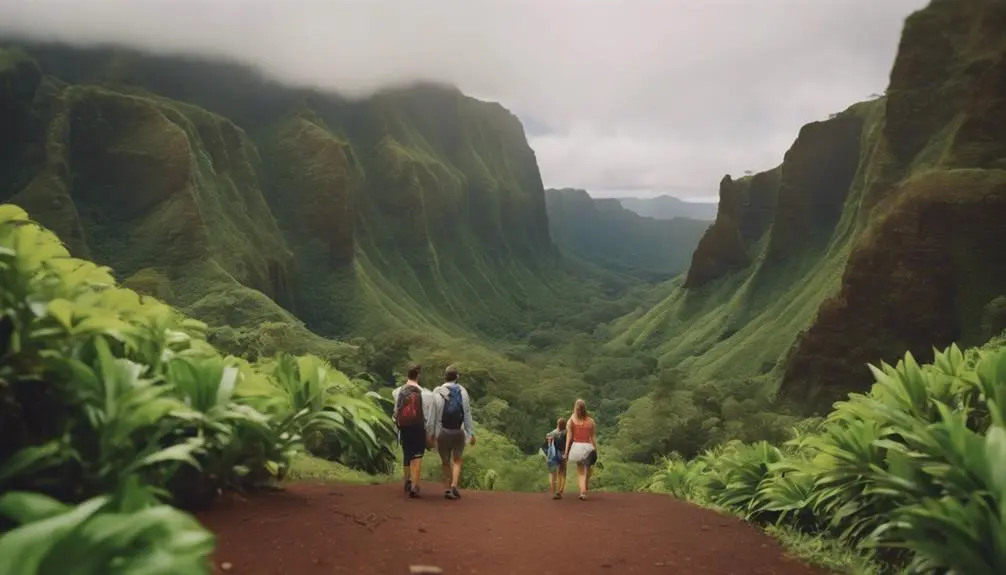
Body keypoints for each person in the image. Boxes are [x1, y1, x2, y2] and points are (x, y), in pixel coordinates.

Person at [431, 365, 476, 500]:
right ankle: (454, 484)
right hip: (458, 431)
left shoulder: (437, 392)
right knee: (457, 460)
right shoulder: (463, 392)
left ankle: (447, 489)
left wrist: (432, 433)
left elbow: (434, 415)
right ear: (457, 377)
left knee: (445, 461)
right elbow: (467, 414)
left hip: (443, 432)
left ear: (444, 376)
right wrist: (471, 433)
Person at [392, 363, 437, 498]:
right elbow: (428, 417)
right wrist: (430, 434)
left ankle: (406, 481)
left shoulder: (397, 392)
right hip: (418, 427)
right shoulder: (426, 394)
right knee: (417, 456)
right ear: (418, 375)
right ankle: (415, 485)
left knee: (407, 453)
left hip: (404, 426)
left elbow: (396, 411)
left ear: (407, 374)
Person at [563, 399, 597, 501]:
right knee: (587, 469)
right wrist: (595, 449)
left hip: (577, 447)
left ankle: (583, 491)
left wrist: (566, 452)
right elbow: (593, 437)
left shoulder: (571, 420)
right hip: (589, 447)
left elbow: (569, 437)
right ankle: (584, 488)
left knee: (581, 470)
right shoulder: (591, 421)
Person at [542, 417, 567, 499]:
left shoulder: (552, 433)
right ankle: (560, 489)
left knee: (555, 472)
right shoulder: (566, 433)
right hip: (563, 453)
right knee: (562, 472)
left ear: (557, 424)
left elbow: (546, 444)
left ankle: (555, 490)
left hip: (555, 454)